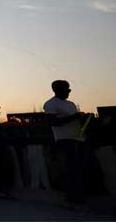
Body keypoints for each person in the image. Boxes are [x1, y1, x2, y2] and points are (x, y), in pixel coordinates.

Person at [43, 80, 90, 208]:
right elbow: (53, 122)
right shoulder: (50, 104)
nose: (69, 92)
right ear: (57, 90)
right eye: (67, 89)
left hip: (78, 139)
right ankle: (71, 197)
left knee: (78, 169)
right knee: (71, 169)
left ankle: (78, 195)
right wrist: (75, 116)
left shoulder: (71, 104)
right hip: (65, 140)